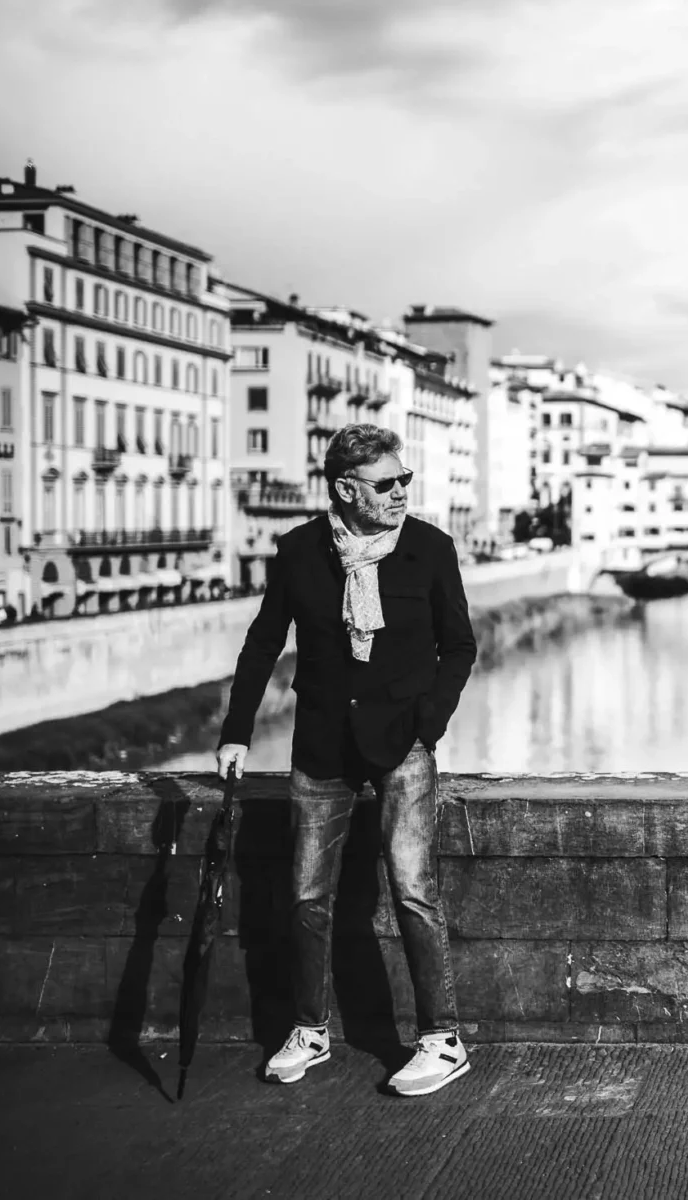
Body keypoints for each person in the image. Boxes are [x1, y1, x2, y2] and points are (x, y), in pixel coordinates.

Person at [216, 424, 478, 1097]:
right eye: (386, 483)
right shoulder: (301, 552)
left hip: (403, 743)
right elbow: (262, 643)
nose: (400, 493)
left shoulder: (428, 549)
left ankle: (441, 1039)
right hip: (323, 744)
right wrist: (237, 733)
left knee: (415, 892)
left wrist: (430, 723)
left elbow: (460, 646)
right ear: (345, 489)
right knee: (307, 895)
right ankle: (309, 1029)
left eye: (403, 481)